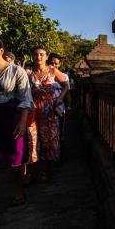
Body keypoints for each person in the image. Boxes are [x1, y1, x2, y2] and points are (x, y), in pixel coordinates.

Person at [0, 37, 34, 218]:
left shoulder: (17, 71)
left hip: (11, 119)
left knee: (16, 159)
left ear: (1, 51)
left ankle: (18, 191)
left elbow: (25, 98)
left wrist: (22, 121)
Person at [26, 47, 68, 181]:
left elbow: (66, 84)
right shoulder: (27, 72)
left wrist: (60, 99)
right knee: (32, 139)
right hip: (32, 109)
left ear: (46, 56)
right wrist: (32, 93)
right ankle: (32, 173)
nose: (38, 57)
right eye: (35, 54)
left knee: (49, 139)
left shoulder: (52, 70)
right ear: (32, 56)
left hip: (49, 109)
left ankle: (47, 172)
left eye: (41, 55)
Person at [47, 53, 71, 165]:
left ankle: (60, 157)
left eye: (56, 63)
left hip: (60, 109)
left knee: (60, 133)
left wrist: (69, 107)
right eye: (51, 63)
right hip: (46, 109)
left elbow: (67, 94)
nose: (53, 65)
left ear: (60, 64)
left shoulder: (64, 76)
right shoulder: (45, 75)